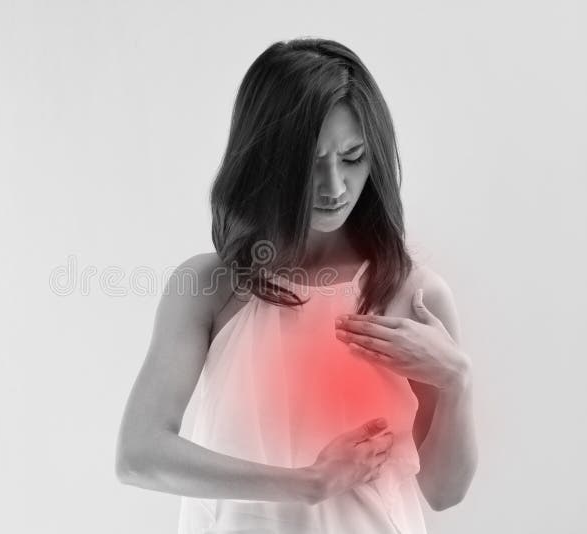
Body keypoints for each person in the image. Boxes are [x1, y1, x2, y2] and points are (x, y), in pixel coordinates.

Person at [115, 37, 478, 534]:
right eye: (310, 163)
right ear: (266, 159)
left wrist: (456, 381)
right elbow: (139, 454)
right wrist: (307, 483)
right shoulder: (210, 285)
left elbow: (443, 492)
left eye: (353, 158)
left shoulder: (411, 293)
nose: (334, 187)